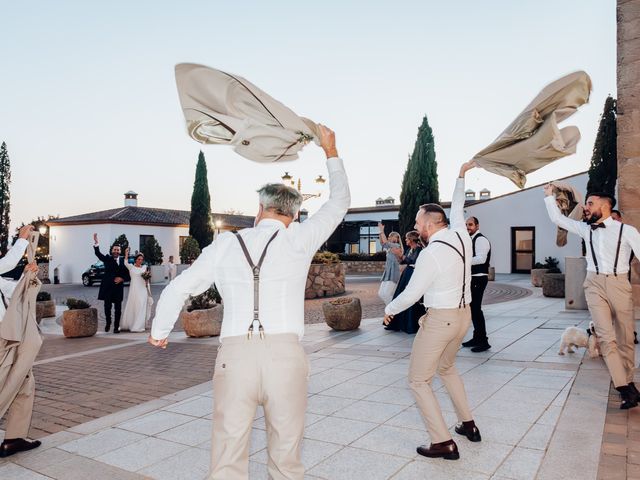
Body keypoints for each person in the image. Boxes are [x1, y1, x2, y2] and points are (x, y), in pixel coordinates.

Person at [149, 125, 349, 479]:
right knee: (286, 454)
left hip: (235, 357)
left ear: (261, 208)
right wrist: (330, 150)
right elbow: (339, 203)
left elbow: (180, 287)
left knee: (228, 454)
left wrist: (160, 329)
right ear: (294, 213)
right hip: (285, 356)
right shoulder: (300, 239)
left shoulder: (226, 244)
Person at [383, 160, 481, 460]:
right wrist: (462, 175)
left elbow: (412, 294)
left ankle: (442, 442)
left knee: (418, 380)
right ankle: (469, 425)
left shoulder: (431, 254)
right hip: (464, 317)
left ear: (428, 224)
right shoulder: (463, 237)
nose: (414, 226)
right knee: (447, 368)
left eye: (416, 222)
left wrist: (389, 309)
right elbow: (458, 208)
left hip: (441, 321)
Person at [543, 186, 640, 409]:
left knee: (626, 338)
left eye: (589, 204)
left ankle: (629, 384)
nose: (585, 208)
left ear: (605, 206)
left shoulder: (627, 231)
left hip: (619, 283)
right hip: (594, 283)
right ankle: (623, 388)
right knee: (606, 338)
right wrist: (549, 196)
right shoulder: (585, 229)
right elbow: (558, 218)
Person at [0, 225, 42, 457]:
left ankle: (14, 438)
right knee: (8, 379)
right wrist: (22, 240)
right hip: (3, 337)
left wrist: (28, 276)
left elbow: (8, 288)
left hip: (7, 332)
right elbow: (5, 265)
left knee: (24, 378)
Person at [384, 231, 425, 333]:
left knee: (410, 298)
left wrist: (401, 255)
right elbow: (404, 261)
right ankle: (396, 323)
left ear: (411, 240)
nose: (405, 240)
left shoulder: (419, 250)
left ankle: (410, 325)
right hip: (406, 274)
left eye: (407, 239)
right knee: (399, 295)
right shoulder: (409, 249)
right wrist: (398, 256)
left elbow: (412, 261)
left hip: (412, 275)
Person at [461, 216, 492, 352]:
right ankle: (477, 338)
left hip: (479, 278)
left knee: (476, 310)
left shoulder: (480, 240)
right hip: (473, 278)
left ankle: (483, 342)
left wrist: (463, 259)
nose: (468, 227)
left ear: (477, 226)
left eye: (470, 224)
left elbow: (481, 258)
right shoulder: (471, 239)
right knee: (473, 310)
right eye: (466, 224)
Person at [92, 233, 131, 333]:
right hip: (108, 288)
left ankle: (116, 327)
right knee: (107, 308)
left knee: (118, 309)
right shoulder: (107, 259)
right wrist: (96, 243)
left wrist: (122, 279)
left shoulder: (124, 261)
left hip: (118, 289)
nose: (116, 251)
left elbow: (128, 274)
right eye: (114, 250)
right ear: (112, 250)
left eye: (118, 250)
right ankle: (108, 323)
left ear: (120, 251)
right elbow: (98, 254)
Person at [120, 250, 150, 332]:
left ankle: (138, 325)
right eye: (139, 259)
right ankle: (131, 323)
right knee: (134, 305)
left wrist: (147, 280)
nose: (140, 261)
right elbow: (125, 262)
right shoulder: (131, 267)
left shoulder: (144, 267)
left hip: (142, 289)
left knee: (141, 305)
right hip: (134, 289)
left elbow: (147, 277)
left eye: (141, 259)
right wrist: (126, 253)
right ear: (135, 259)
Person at [377, 222, 402, 304]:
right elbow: (382, 243)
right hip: (387, 272)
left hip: (394, 272)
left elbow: (385, 242)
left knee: (387, 294)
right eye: (389, 236)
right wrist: (380, 232)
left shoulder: (396, 246)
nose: (396, 239)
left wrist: (381, 231)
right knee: (381, 293)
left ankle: (393, 311)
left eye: (397, 238)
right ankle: (392, 310)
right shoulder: (389, 247)